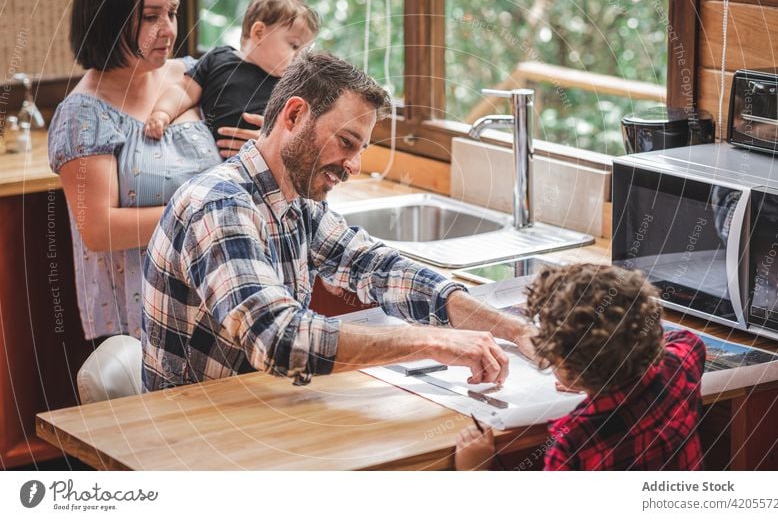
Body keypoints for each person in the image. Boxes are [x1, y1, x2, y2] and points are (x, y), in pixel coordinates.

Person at [141, 51, 537, 391]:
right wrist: (429, 341)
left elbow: (381, 269)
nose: (354, 165)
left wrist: (511, 328)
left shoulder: (296, 202)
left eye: (360, 149)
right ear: (294, 115)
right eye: (346, 142)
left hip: (257, 410)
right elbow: (279, 339)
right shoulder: (220, 205)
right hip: (196, 435)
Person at [48, 0, 257, 340]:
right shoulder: (84, 115)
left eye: (173, 12)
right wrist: (205, 211)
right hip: (141, 316)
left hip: (219, 300)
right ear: (109, 20)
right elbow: (99, 229)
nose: (169, 30)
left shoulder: (195, 76)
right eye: (151, 17)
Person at [456, 263, 706, 471]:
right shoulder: (677, 368)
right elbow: (688, 341)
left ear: (566, 365)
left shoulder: (575, 441)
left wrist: (475, 468)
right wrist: (609, 370)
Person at [144, 0, 318, 142]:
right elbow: (184, 90)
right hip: (213, 164)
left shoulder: (290, 87)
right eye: (294, 46)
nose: (299, 57)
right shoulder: (219, 59)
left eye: (303, 51)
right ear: (258, 33)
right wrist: (162, 113)